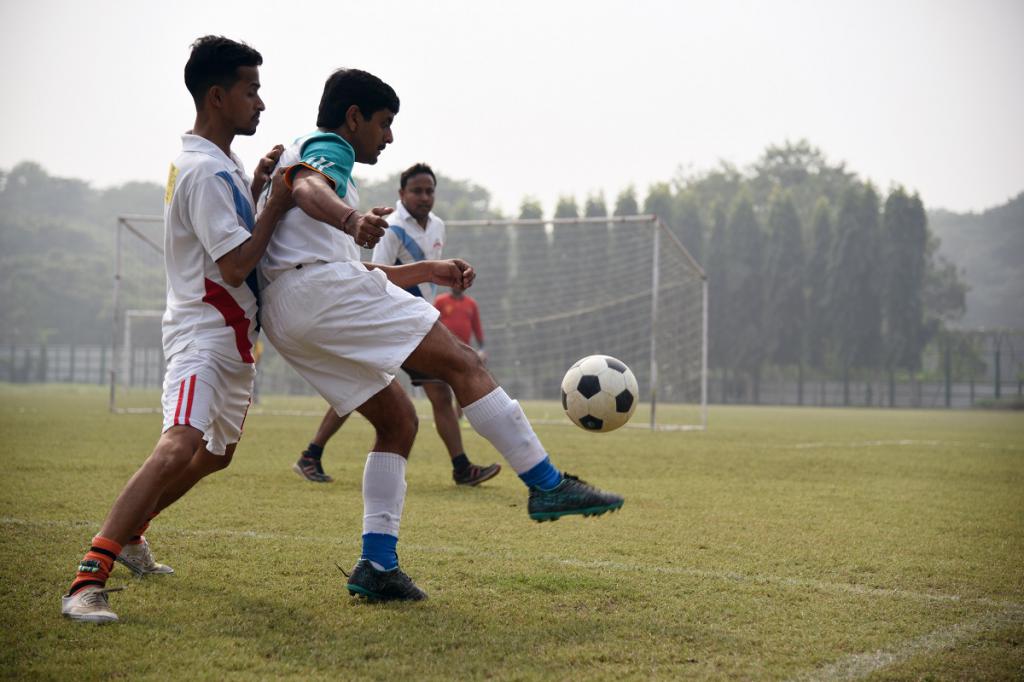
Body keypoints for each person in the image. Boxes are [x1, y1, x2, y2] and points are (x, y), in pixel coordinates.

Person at [258, 68, 624, 603]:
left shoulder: (299, 152)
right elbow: (309, 187)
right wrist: (349, 218)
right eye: (384, 124)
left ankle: (377, 565)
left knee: (398, 421)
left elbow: (349, 269)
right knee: (465, 363)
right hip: (316, 292)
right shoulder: (327, 148)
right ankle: (548, 485)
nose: (389, 137)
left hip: (289, 312)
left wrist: (428, 271)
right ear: (354, 117)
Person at [60, 36, 293, 623]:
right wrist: (277, 204)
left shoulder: (219, 163)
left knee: (216, 455)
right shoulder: (204, 171)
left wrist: (259, 184)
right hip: (203, 332)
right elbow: (236, 263)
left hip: (233, 334)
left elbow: (226, 231)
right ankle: (87, 578)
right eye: (251, 90)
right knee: (180, 445)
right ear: (217, 96)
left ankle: (134, 534)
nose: (260, 103)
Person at [293, 163, 500, 487]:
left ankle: (312, 454)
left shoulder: (438, 227)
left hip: (415, 320)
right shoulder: (392, 226)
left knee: (380, 387)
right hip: (393, 321)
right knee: (373, 388)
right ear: (401, 194)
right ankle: (462, 468)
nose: (424, 196)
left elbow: (426, 277)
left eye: (429, 191)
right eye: (416, 191)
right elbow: (382, 273)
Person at [435, 283, 486, 419]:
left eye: (461, 284)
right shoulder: (440, 301)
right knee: (442, 385)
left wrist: (482, 348)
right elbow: (433, 322)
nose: (458, 286)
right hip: (444, 348)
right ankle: (446, 418)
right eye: (455, 283)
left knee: (461, 383)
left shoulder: (471, 304)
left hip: (463, 350)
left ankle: (458, 416)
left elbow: (477, 327)